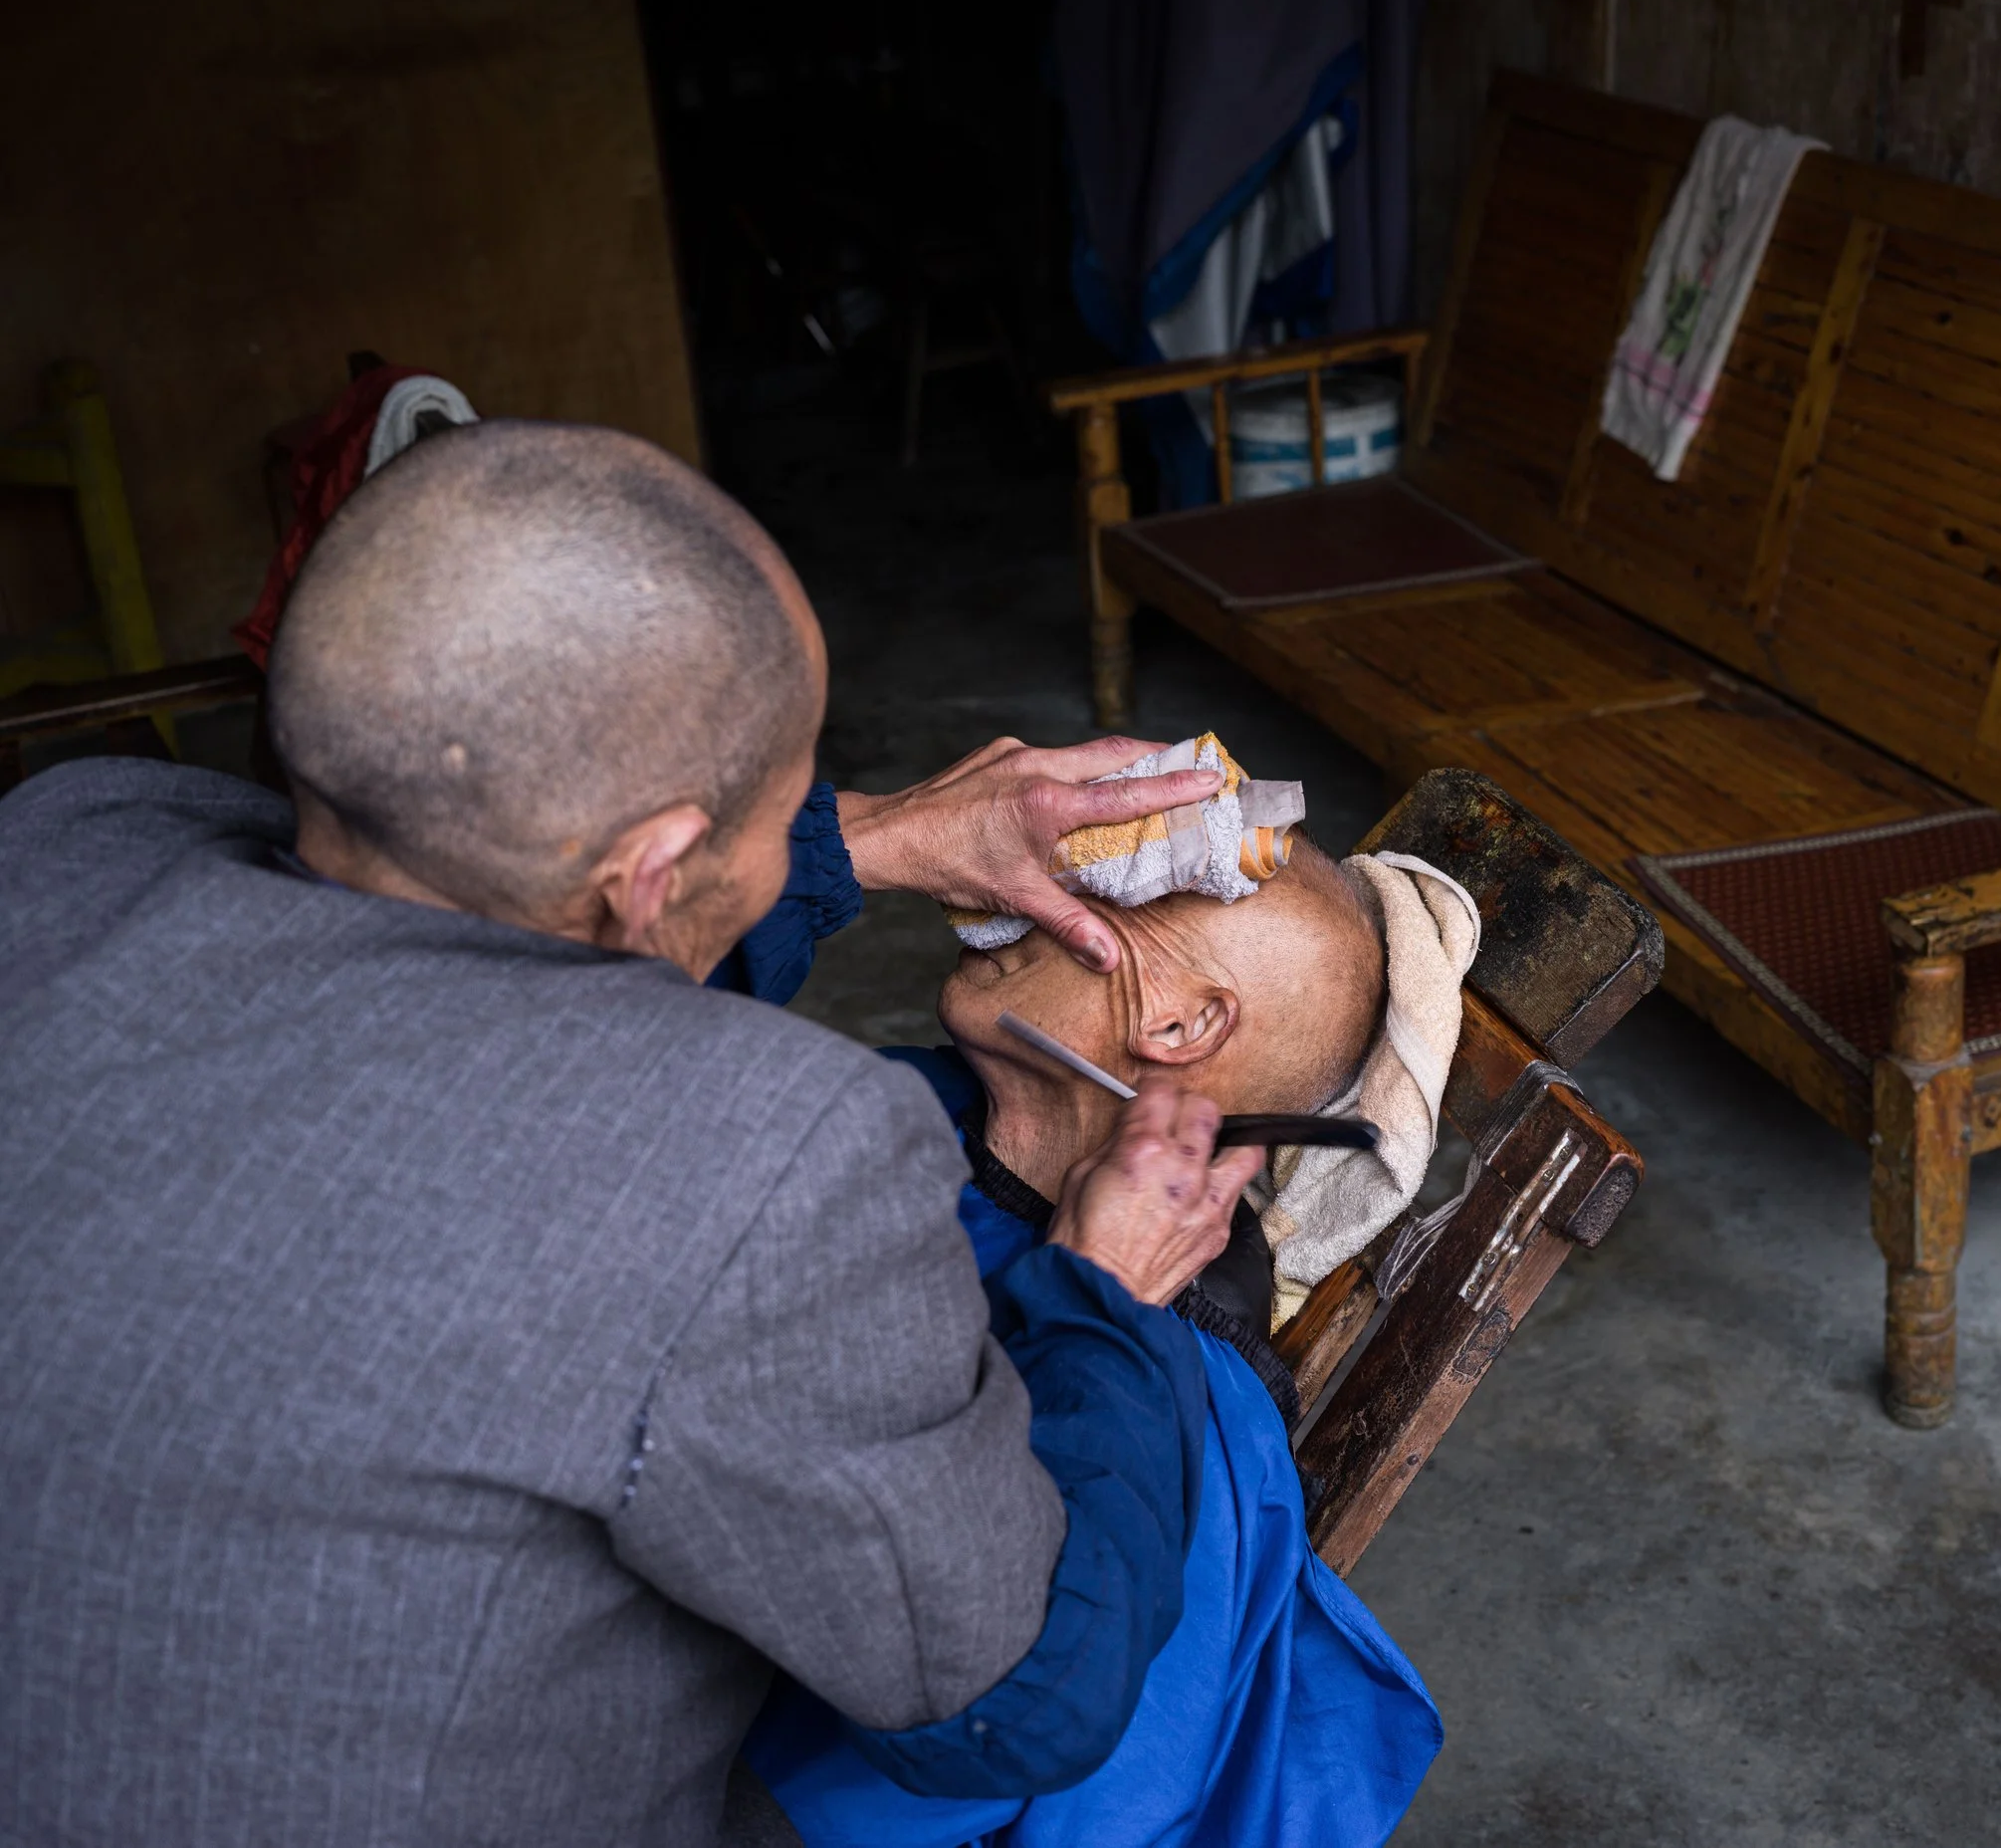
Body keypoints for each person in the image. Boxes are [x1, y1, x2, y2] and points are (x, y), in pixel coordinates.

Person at [0, 421, 1268, 1846]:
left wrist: (871, 836)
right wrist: (1102, 1299)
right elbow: (1019, 1700)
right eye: (793, 802)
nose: (809, 829)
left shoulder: (70, 835)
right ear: (651, 868)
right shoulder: (764, 1163)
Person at [739, 841, 1445, 1848]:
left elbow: (1077, 1782)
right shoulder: (888, 1114)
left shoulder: (1189, 1424)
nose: (1028, 884)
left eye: (1114, 891)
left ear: (1179, 1024)